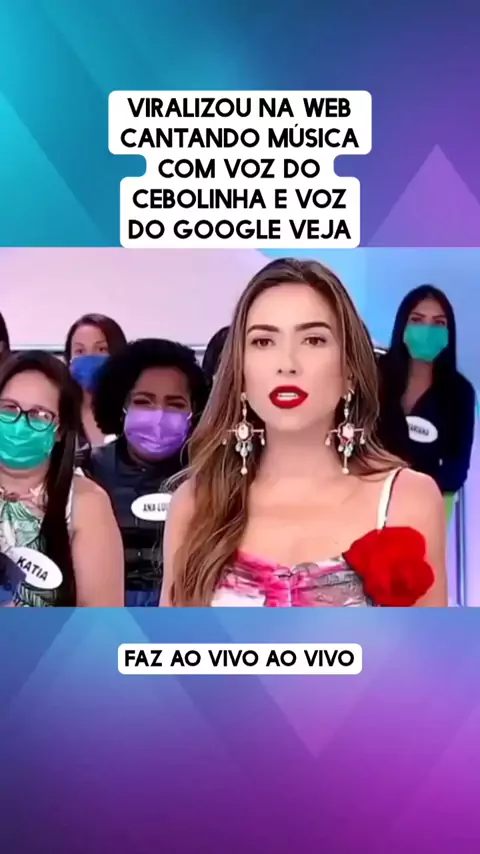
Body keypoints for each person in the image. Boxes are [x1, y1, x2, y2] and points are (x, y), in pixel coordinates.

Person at [161, 258, 448, 608]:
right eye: (263, 342)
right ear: (241, 372)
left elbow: (430, 643)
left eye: (313, 340)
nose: (287, 364)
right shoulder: (194, 504)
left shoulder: (408, 499)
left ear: (349, 370)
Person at [80, 339, 209, 607]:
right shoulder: (85, 472)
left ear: (194, 412)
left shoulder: (213, 475)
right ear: (121, 405)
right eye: (143, 402)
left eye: (175, 404)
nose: (159, 415)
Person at [0, 351, 124, 606]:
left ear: (60, 431)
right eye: (9, 408)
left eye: (39, 414)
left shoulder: (86, 502)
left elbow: (101, 619)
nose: (20, 424)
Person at [377, 285, 475, 522]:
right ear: (402, 326)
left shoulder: (460, 392)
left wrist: (417, 493)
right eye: (417, 320)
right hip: (368, 500)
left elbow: (456, 470)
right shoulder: (374, 375)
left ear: (449, 333)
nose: (427, 330)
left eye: (438, 323)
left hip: (427, 509)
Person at [65, 313, 127, 449]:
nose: (89, 357)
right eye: (80, 351)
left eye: (101, 349)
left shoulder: (133, 413)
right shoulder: (61, 414)